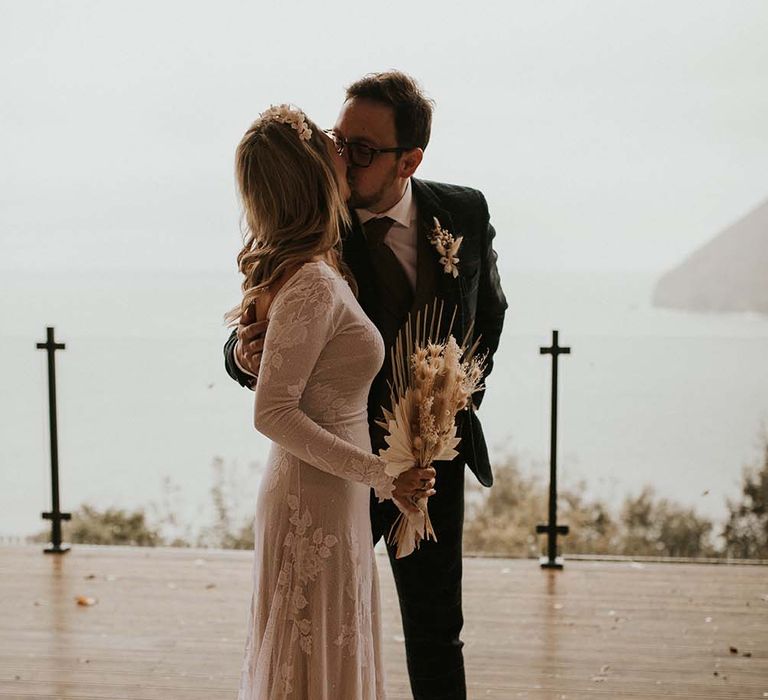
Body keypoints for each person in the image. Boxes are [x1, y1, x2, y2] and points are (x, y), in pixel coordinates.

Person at [225, 72, 508, 700]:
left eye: (364, 148)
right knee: (325, 629)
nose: (345, 157)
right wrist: (247, 354)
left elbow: (488, 312)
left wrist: (452, 402)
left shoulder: (463, 211)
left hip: (429, 456)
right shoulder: (315, 225)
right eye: (340, 138)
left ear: (410, 159)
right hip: (334, 463)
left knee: (436, 632)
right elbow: (259, 330)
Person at [228, 103, 436, 699]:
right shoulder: (313, 281)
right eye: (331, 146)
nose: (343, 154)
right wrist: (383, 473)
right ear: (312, 176)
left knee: (328, 658)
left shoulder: (318, 267)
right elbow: (272, 411)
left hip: (331, 496)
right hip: (313, 501)